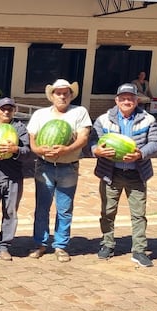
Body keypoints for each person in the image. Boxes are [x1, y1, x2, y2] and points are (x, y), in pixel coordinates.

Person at [89, 83, 157, 267]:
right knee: (107, 212)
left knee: (139, 214)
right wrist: (96, 151)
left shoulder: (148, 119)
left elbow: (156, 143)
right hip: (110, 173)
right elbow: (92, 141)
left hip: (137, 173)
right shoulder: (103, 120)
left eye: (130, 98)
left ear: (136, 100)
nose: (127, 101)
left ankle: (139, 250)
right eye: (123, 98)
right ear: (117, 100)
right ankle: (107, 244)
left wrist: (141, 154)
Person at [27, 79, 92, 262]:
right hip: (44, 166)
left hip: (68, 166)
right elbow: (32, 139)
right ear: (52, 95)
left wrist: (67, 150)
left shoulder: (80, 112)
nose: (62, 96)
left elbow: (83, 138)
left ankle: (61, 246)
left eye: (66, 93)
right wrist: (38, 150)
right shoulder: (40, 114)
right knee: (42, 208)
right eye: (58, 93)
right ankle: (40, 243)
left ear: (71, 95)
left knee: (64, 209)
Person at [0, 97, 33, 261]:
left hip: (13, 177)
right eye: (3, 109)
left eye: (9, 109)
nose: (6, 112)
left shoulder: (19, 128)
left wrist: (15, 149)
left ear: (14, 111)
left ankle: (4, 246)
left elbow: (28, 152)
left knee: (10, 212)